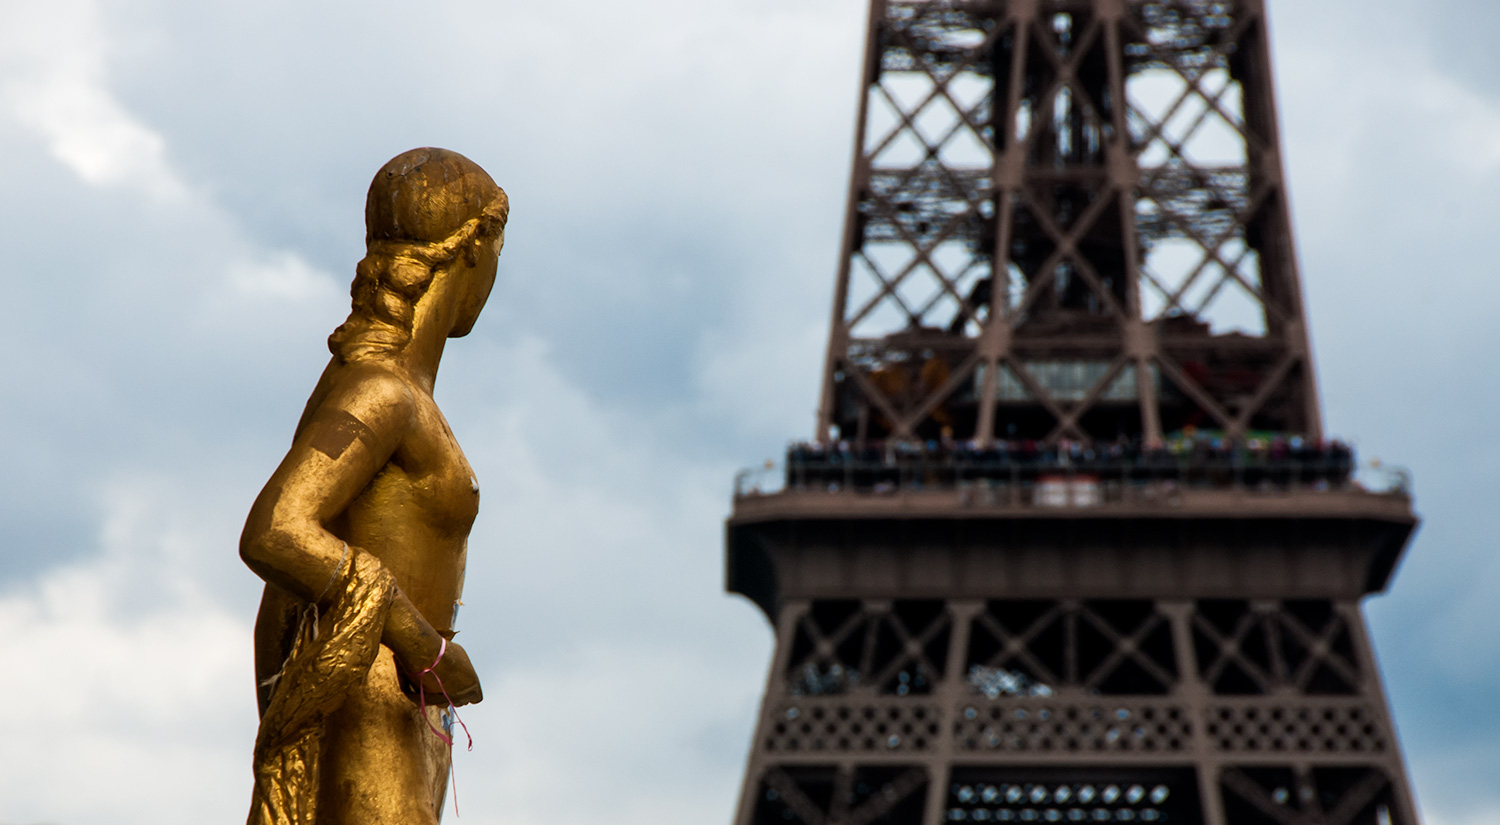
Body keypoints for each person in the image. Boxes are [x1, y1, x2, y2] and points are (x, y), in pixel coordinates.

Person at [239, 148, 508, 824]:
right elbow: (275, 531)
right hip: (373, 699)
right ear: (475, 248)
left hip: (403, 705)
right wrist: (424, 645)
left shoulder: (391, 391)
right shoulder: (382, 393)